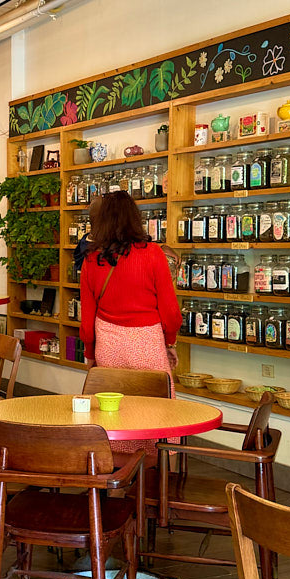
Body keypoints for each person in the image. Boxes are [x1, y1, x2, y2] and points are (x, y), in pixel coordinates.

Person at [79, 191, 182, 453]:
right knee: (158, 410)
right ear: (135, 218)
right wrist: (170, 342)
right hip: (147, 344)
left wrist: (90, 355)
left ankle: (114, 473)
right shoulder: (153, 254)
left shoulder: (92, 259)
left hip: (108, 346)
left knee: (113, 410)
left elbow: (87, 319)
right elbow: (171, 312)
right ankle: (158, 474)